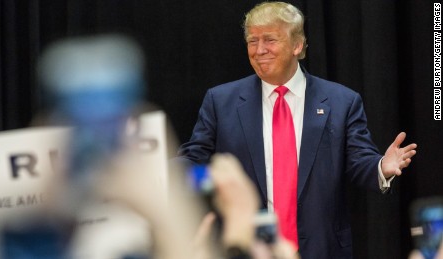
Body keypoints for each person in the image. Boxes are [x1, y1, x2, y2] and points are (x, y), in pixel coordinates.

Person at [177, 2, 417, 258]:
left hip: (321, 249)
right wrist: (159, 169)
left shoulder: (341, 102)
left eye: (269, 39)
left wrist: (381, 168)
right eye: (252, 40)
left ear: (297, 45)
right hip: (248, 250)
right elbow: (194, 160)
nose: (259, 50)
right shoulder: (220, 101)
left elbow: (359, 161)